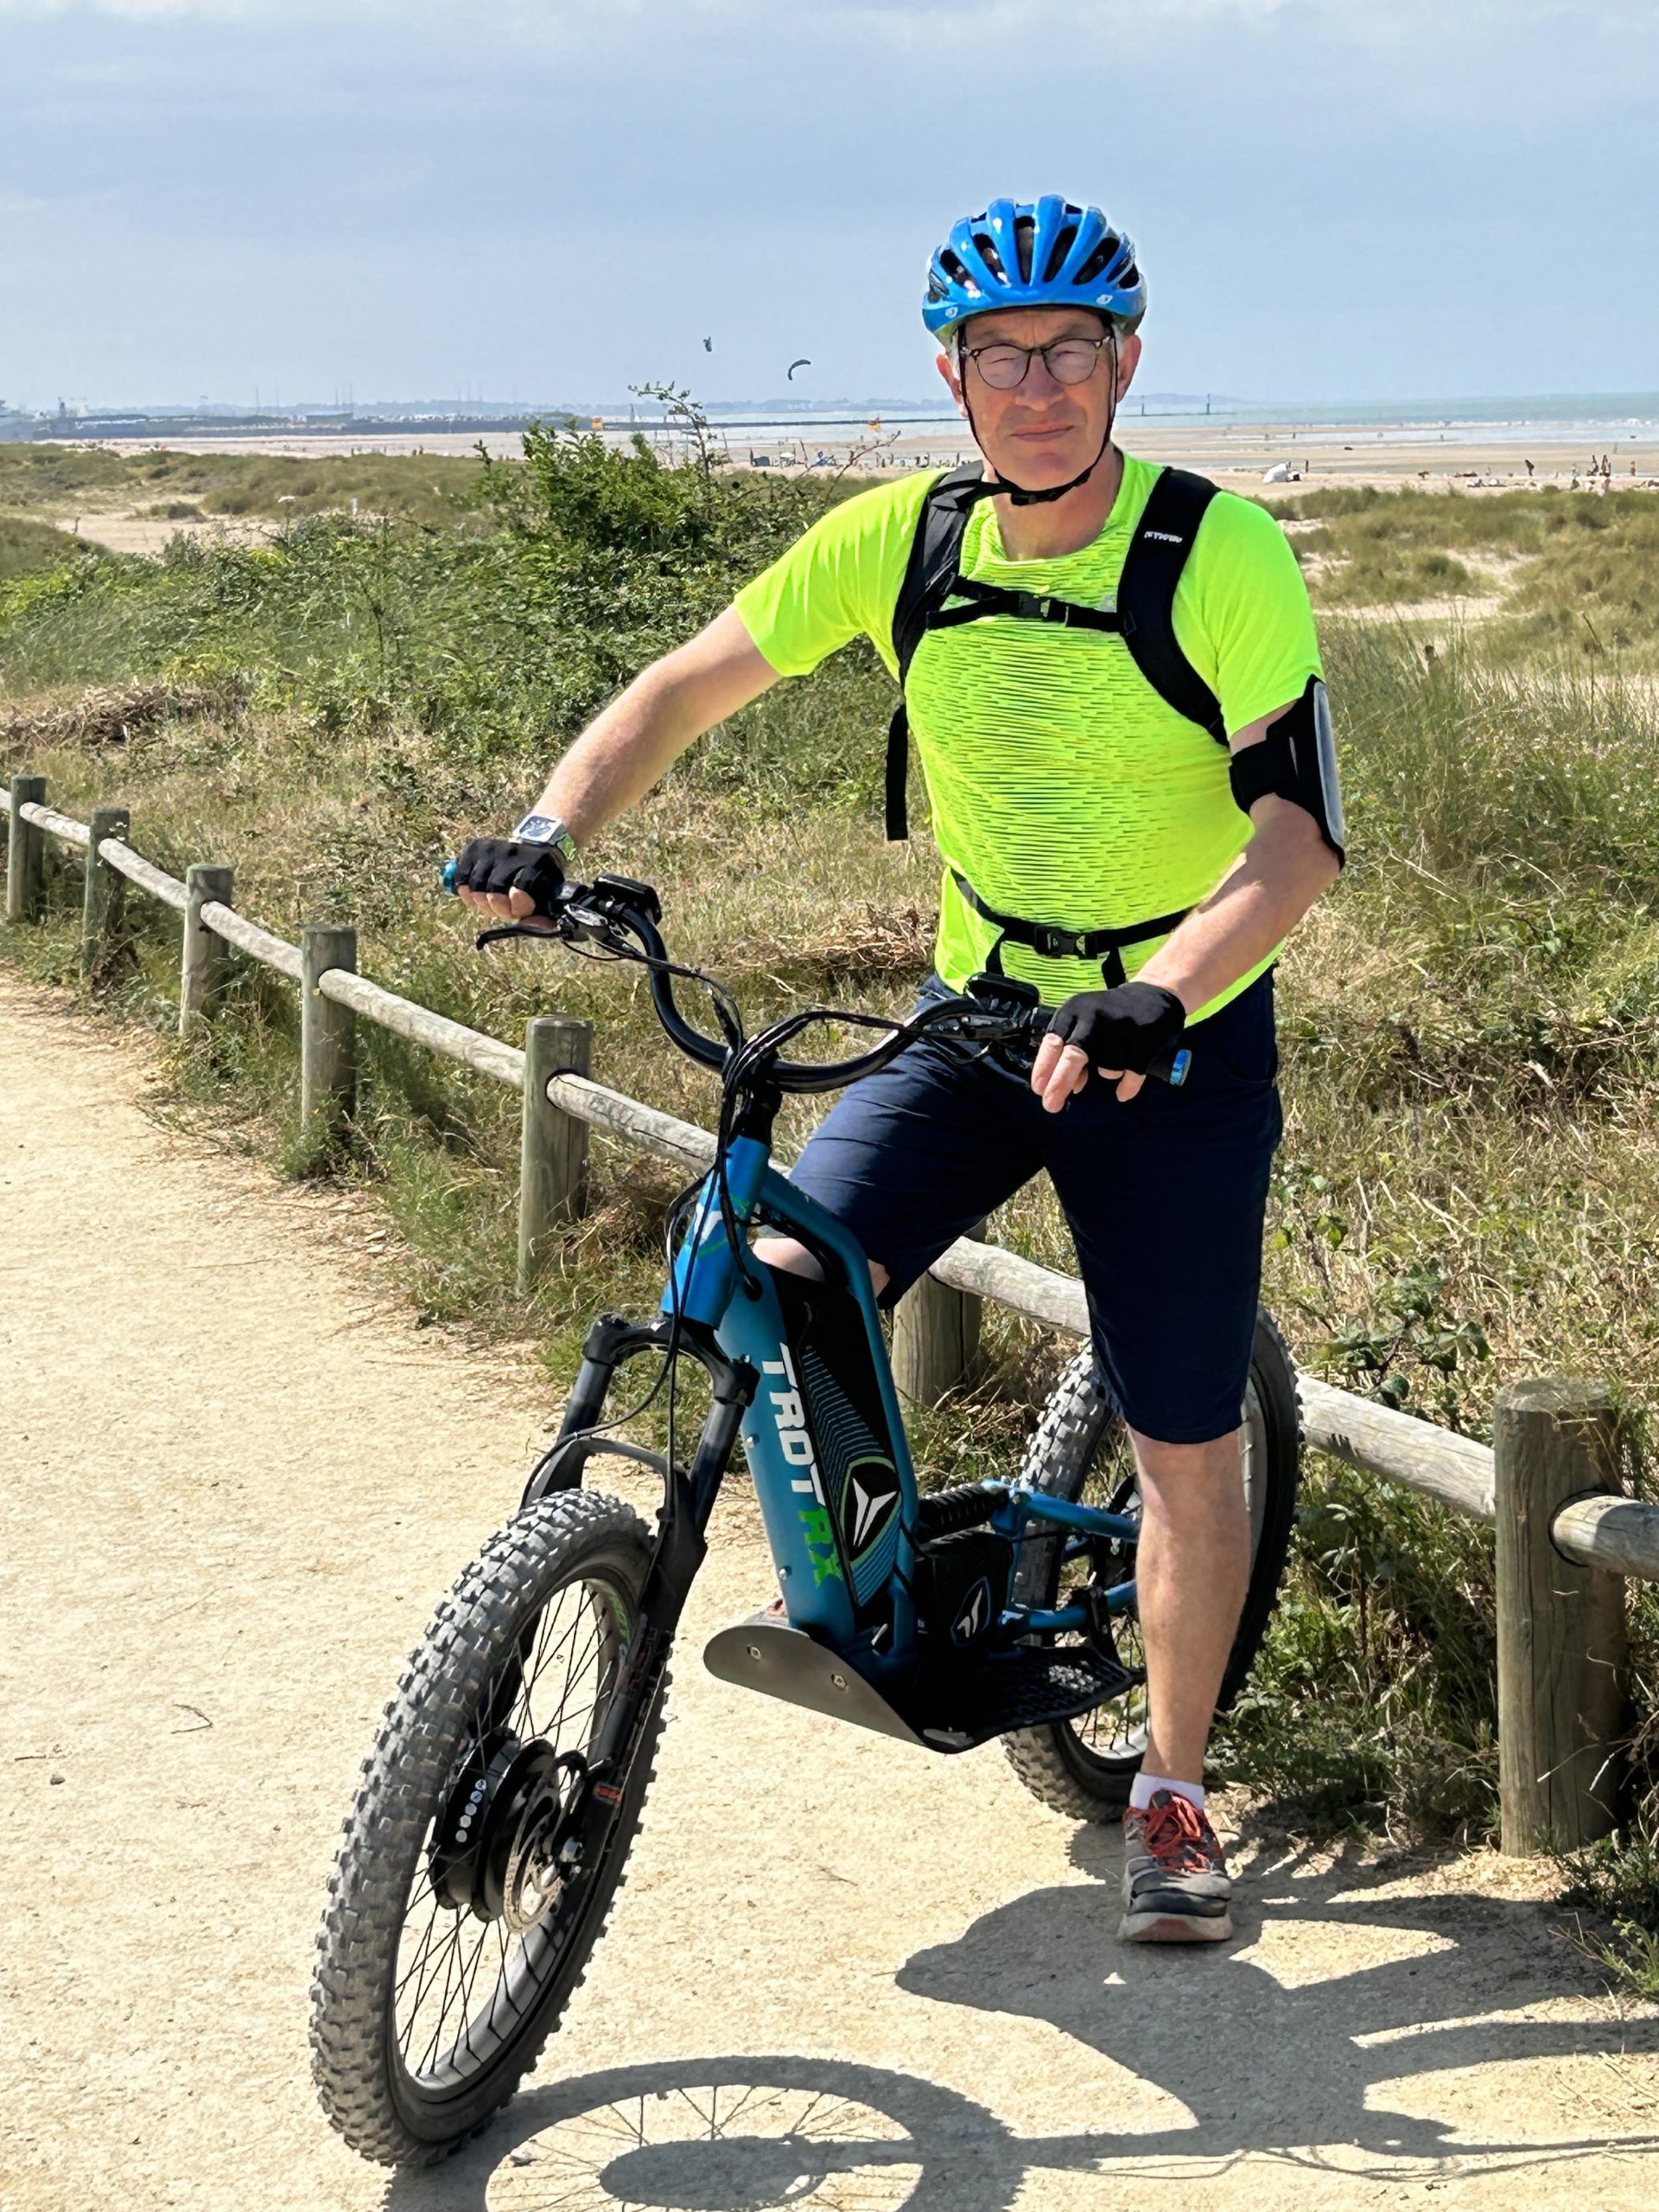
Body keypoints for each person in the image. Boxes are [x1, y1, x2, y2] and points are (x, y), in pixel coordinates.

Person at [453, 194, 1344, 1945]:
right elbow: (685, 685)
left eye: (1071, 350)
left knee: (1183, 1442)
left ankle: (1172, 1789)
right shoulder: (904, 540)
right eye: (1001, 354)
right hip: (983, 1018)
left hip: (1166, 1043)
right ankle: (882, 1578)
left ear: (1126, 365)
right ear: (951, 375)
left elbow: (1295, 841)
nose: (1038, 387)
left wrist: (1159, 994)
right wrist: (549, 828)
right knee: (785, 1266)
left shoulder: (1217, 554)